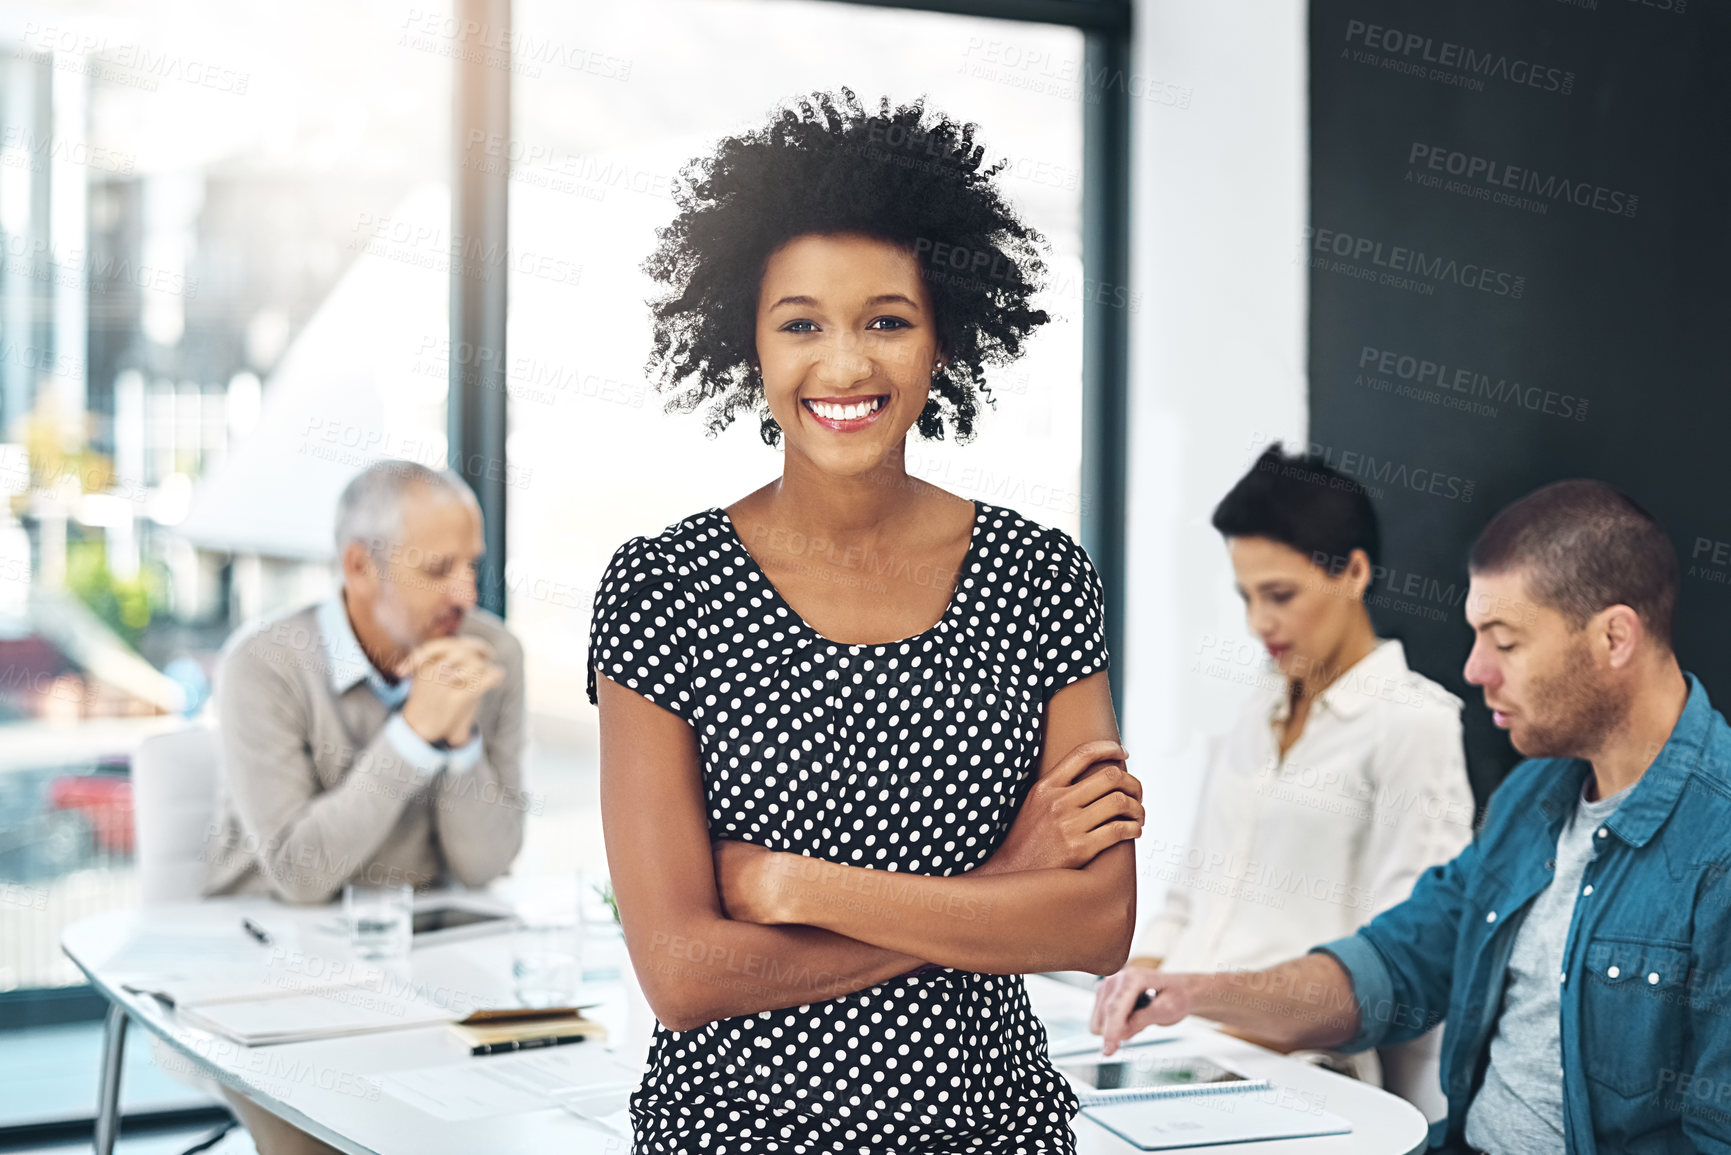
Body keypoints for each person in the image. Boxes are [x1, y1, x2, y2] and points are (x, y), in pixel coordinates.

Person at [588, 89, 1144, 1153]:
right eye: (801, 324)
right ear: (747, 344)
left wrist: (797, 888)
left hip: (991, 1131)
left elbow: (1094, 925)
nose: (844, 366)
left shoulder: (1040, 579)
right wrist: (992, 895)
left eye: (887, 321)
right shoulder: (663, 591)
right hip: (737, 1135)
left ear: (943, 340)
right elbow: (684, 975)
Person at [1095, 480, 1731, 1154]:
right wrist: (1191, 992)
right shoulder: (1532, 800)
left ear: (1613, 637)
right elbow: (1388, 965)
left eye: (1505, 641)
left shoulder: (1714, 844)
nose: (1474, 667)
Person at [1107, 444, 1473, 1088]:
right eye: (1246, 596)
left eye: (1279, 594)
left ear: (1354, 572)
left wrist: (1201, 1016)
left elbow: (1403, 956)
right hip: (1178, 1052)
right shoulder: (1254, 710)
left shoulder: (1413, 722)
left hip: (1298, 1065)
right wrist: (1126, 997)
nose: (1258, 623)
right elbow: (1188, 900)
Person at [203, 459, 527, 903]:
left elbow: (485, 866)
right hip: (266, 938)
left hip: (417, 939)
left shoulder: (493, 654)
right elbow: (299, 875)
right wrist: (414, 735)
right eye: (437, 569)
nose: (466, 595)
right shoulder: (263, 665)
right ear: (359, 567)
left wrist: (459, 743)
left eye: (471, 566)